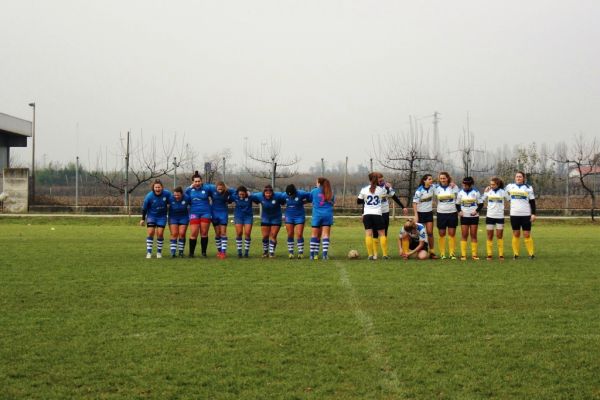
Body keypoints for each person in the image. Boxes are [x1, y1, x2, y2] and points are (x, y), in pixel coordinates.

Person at [372, 173, 408, 255]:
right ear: (375, 180)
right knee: (375, 232)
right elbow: (365, 201)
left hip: (385, 212)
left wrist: (403, 207)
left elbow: (394, 197)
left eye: (382, 179)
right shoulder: (372, 188)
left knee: (384, 232)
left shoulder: (387, 187)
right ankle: (375, 253)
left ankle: (385, 253)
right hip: (375, 212)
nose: (381, 180)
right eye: (379, 179)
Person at [505, 171, 536, 259]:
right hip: (514, 214)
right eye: (517, 177)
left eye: (520, 177)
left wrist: (533, 214)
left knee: (526, 234)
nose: (518, 178)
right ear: (515, 178)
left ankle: (531, 254)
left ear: (523, 178)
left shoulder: (528, 187)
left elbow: (532, 202)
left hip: (526, 214)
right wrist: (488, 189)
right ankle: (515, 254)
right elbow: (501, 192)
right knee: (516, 234)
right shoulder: (510, 186)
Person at [357, 173, 389, 260]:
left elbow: (358, 201)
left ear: (369, 180)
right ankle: (385, 255)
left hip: (367, 214)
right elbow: (385, 197)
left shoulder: (364, 189)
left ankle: (370, 255)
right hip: (377, 214)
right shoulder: (381, 190)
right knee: (382, 234)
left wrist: (365, 199)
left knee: (368, 234)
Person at [185, 172, 216, 257]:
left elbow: (219, 188)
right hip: (194, 213)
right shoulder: (189, 190)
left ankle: (203, 253)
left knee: (204, 232)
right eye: (195, 181)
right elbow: (182, 195)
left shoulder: (207, 188)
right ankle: (191, 253)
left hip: (205, 213)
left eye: (199, 181)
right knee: (194, 232)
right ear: (193, 182)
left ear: (201, 181)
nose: (197, 183)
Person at [140, 179, 172, 259]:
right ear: (153, 188)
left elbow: (172, 201)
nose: (157, 189)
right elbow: (144, 208)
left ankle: (159, 252)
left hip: (162, 217)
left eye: (159, 187)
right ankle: (149, 252)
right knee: (150, 233)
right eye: (156, 187)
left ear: (162, 187)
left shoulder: (167, 194)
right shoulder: (149, 196)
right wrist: (143, 219)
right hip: (152, 216)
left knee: (160, 234)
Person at [252, 184, 286, 258]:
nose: (268, 195)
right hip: (265, 218)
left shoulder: (278, 196)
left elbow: (285, 195)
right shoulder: (259, 196)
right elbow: (251, 196)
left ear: (272, 193)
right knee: (265, 236)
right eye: (266, 193)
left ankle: (271, 252)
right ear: (264, 193)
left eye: (269, 193)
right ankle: (265, 252)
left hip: (276, 218)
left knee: (273, 235)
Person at [456, 176, 483, 261]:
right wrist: (459, 211)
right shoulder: (460, 192)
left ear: (470, 185)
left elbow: (481, 204)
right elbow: (457, 204)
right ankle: (463, 255)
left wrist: (476, 211)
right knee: (464, 235)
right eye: (463, 184)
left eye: (466, 185)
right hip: (464, 217)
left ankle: (474, 255)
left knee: (473, 235)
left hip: (474, 217)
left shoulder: (476, 192)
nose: (464, 186)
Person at [482, 177, 510, 260]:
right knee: (489, 235)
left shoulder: (503, 192)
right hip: (490, 216)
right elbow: (481, 200)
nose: (491, 186)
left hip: (499, 216)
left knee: (499, 235)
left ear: (498, 184)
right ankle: (489, 254)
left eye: (493, 184)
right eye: (490, 184)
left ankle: (501, 255)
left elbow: (510, 199)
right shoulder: (488, 191)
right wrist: (485, 192)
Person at [434, 171, 459, 260]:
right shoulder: (436, 188)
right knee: (442, 233)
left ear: (447, 178)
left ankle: (452, 254)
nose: (442, 180)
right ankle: (442, 253)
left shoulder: (454, 187)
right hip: (441, 213)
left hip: (452, 213)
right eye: (441, 178)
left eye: (444, 178)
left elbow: (459, 197)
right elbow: (425, 186)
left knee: (452, 233)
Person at [412, 174, 438, 258]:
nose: (431, 180)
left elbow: (442, 184)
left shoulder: (432, 187)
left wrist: (452, 184)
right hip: (420, 214)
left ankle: (432, 252)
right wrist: (416, 215)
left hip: (429, 213)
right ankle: (420, 250)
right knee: (421, 233)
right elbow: (414, 203)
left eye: (431, 179)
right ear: (424, 181)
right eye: (429, 179)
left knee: (430, 232)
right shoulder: (419, 191)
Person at [284, 184, 312, 259]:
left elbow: (311, 197)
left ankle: (300, 252)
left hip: (299, 216)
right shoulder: (284, 195)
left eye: (292, 194)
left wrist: (303, 202)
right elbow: (278, 199)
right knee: (290, 234)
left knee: (299, 234)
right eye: (289, 195)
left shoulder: (302, 193)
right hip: (289, 216)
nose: (290, 196)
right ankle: (291, 253)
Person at [310, 177, 335, 260]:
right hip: (327, 215)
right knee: (325, 235)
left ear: (319, 183)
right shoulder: (331, 192)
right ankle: (324, 255)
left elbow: (311, 200)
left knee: (314, 235)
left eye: (316, 182)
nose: (316, 183)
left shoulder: (314, 191)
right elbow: (332, 203)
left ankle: (311, 255)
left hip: (317, 215)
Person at [231, 186, 256, 258]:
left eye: (243, 194)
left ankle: (246, 252)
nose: (241, 196)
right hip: (238, 216)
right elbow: (229, 193)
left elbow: (256, 197)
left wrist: (250, 194)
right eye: (240, 194)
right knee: (239, 233)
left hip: (248, 217)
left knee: (247, 233)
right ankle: (239, 252)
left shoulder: (250, 197)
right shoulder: (235, 196)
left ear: (246, 193)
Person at [211, 181, 234, 259]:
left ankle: (223, 252)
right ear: (216, 187)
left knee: (223, 233)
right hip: (214, 213)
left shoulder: (227, 192)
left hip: (223, 214)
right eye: (218, 188)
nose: (220, 189)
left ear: (224, 187)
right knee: (217, 233)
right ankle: (219, 251)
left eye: (221, 188)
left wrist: (230, 198)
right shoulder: (212, 191)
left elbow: (235, 191)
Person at [167, 186, 190, 258]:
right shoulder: (170, 198)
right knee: (174, 234)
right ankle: (173, 253)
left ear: (182, 194)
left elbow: (193, 205)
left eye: (178, 195)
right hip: (173, 217)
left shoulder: (187, 198)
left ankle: (181, 252)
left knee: (182, 233)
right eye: (175, 195)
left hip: (184, 217)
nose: (176, 196)